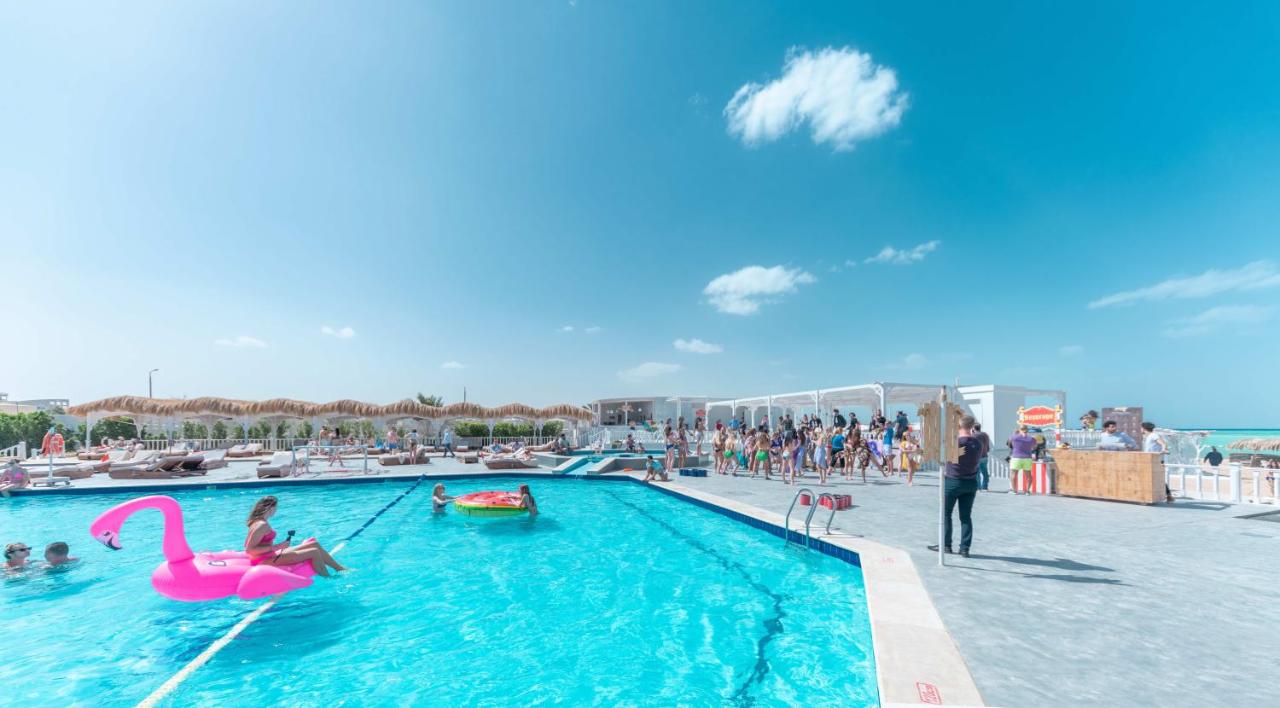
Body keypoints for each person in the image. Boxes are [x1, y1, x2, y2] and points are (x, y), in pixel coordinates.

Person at [244, 496, 347, 578]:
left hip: (269, 555)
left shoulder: (260, 522)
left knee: (314, 544)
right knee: (314, 552)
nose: (276, 510)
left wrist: (279, 546)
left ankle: (339, 568)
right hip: (263, 560)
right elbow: (249, 550)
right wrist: (277, 546)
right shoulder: (261, 525)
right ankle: (328, 578)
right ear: (270, 508)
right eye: (276, 507)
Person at [932, 414, 982, 557]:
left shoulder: (954, 443)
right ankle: (965, 548)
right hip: (971, 481)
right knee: (966, 516)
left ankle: (946, 545)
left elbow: (941, 457)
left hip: (953, 480)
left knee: (946, 513)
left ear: (958, 426)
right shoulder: (977, 443)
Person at [1142, 422, 1175, 503]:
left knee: (1158, 479)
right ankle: (1168, 496)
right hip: (1149, 460)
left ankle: (1168, 495)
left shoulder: (1153, 435)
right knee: (1153, 479)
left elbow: (1163, 443)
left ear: (1144, 428)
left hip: (1156, 460)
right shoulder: (1149, 436)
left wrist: (1163, 449)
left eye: (1141, 428)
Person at [1007, 425, 1038, 493]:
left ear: (1019, 430)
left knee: (1013, 474)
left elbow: (1008, 443)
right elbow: (1034, 447)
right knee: (1028, 475)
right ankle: (1027, 491)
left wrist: (1015, 434)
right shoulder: (1031, 439)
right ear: (1027, 430)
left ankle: (1014, 490)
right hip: (1027, 458)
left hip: (1016, 457)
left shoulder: (1014, 437)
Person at [971, 423, 992, 491]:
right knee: (985, 472)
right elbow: (987, 446)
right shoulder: (985, 435)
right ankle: (985, 487)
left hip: (976, 456)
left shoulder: (973, 435)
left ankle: (978, 487)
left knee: (977, 473)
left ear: (973, 428)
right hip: (984, 455)